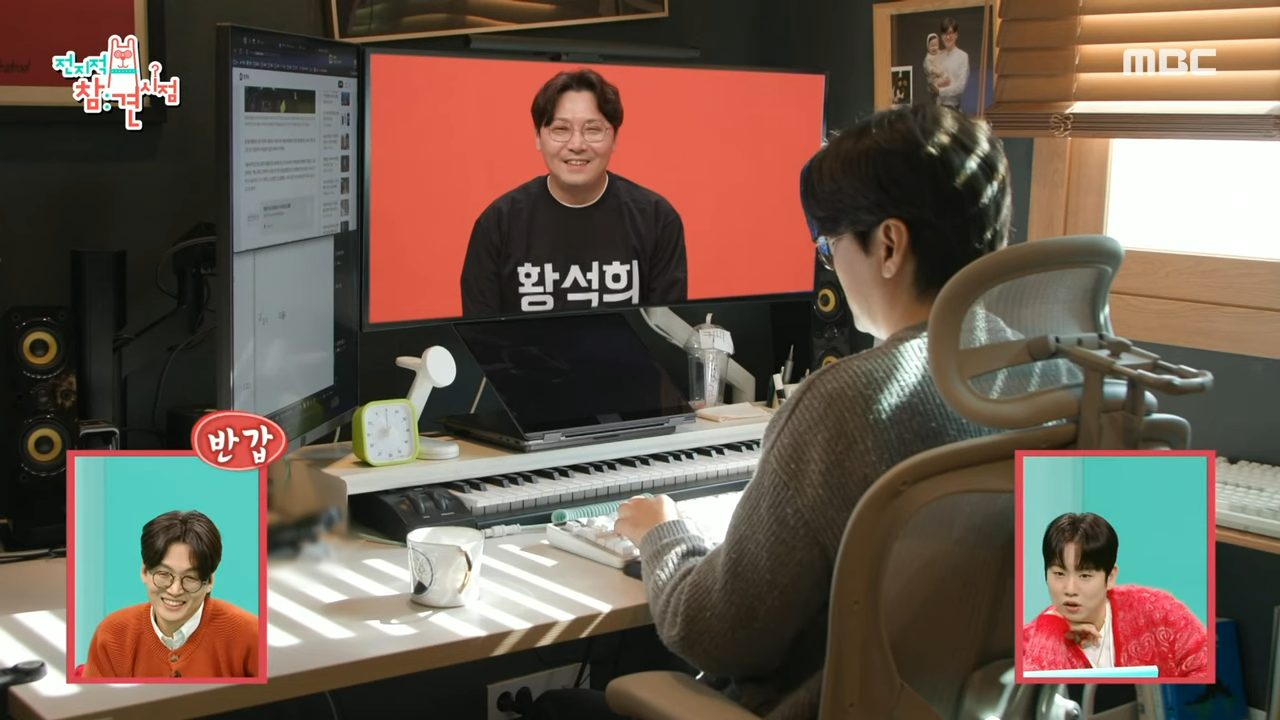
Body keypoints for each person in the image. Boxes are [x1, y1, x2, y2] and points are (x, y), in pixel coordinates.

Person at [531, 103, 1053, 720]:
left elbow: (718, 634)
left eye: (829, 245)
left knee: (563, 708)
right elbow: (1119, 629)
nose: (830, 264)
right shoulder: (1074, 385)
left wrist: (661, 533)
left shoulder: (846, 401)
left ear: (888, 245)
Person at [459, 68, 688, 318]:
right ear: (538, 137)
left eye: (593, 129)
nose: (577, 145)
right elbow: (479, 334)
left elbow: (668, 331)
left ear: (614, 138)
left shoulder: (656, 219)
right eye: (560, 129)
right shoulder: (497, 225)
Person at [1022, 512, 1209, 677]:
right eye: (1059, 574)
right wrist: (1051, 632)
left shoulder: (1158, 611)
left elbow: (1208, 667)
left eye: (1085, 575)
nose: (1070, 589)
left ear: (1110, 577)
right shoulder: (1028, 642)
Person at [83, 510, 259, 679]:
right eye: (164, 574)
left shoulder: (251, 634)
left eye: (190, 578)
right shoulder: (113, 635)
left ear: (209, 582)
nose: (175, 590)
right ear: (144, 572)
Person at [931, 18, 969, 109]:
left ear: (956, 35)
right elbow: (932, 84)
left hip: (955, 107)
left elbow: (961, 86)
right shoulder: (938, 56)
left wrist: (940, 91)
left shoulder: (963, 56)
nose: (948, 37)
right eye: (945, 34)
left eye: (950, 33)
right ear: (941, 36)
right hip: (939, 108)